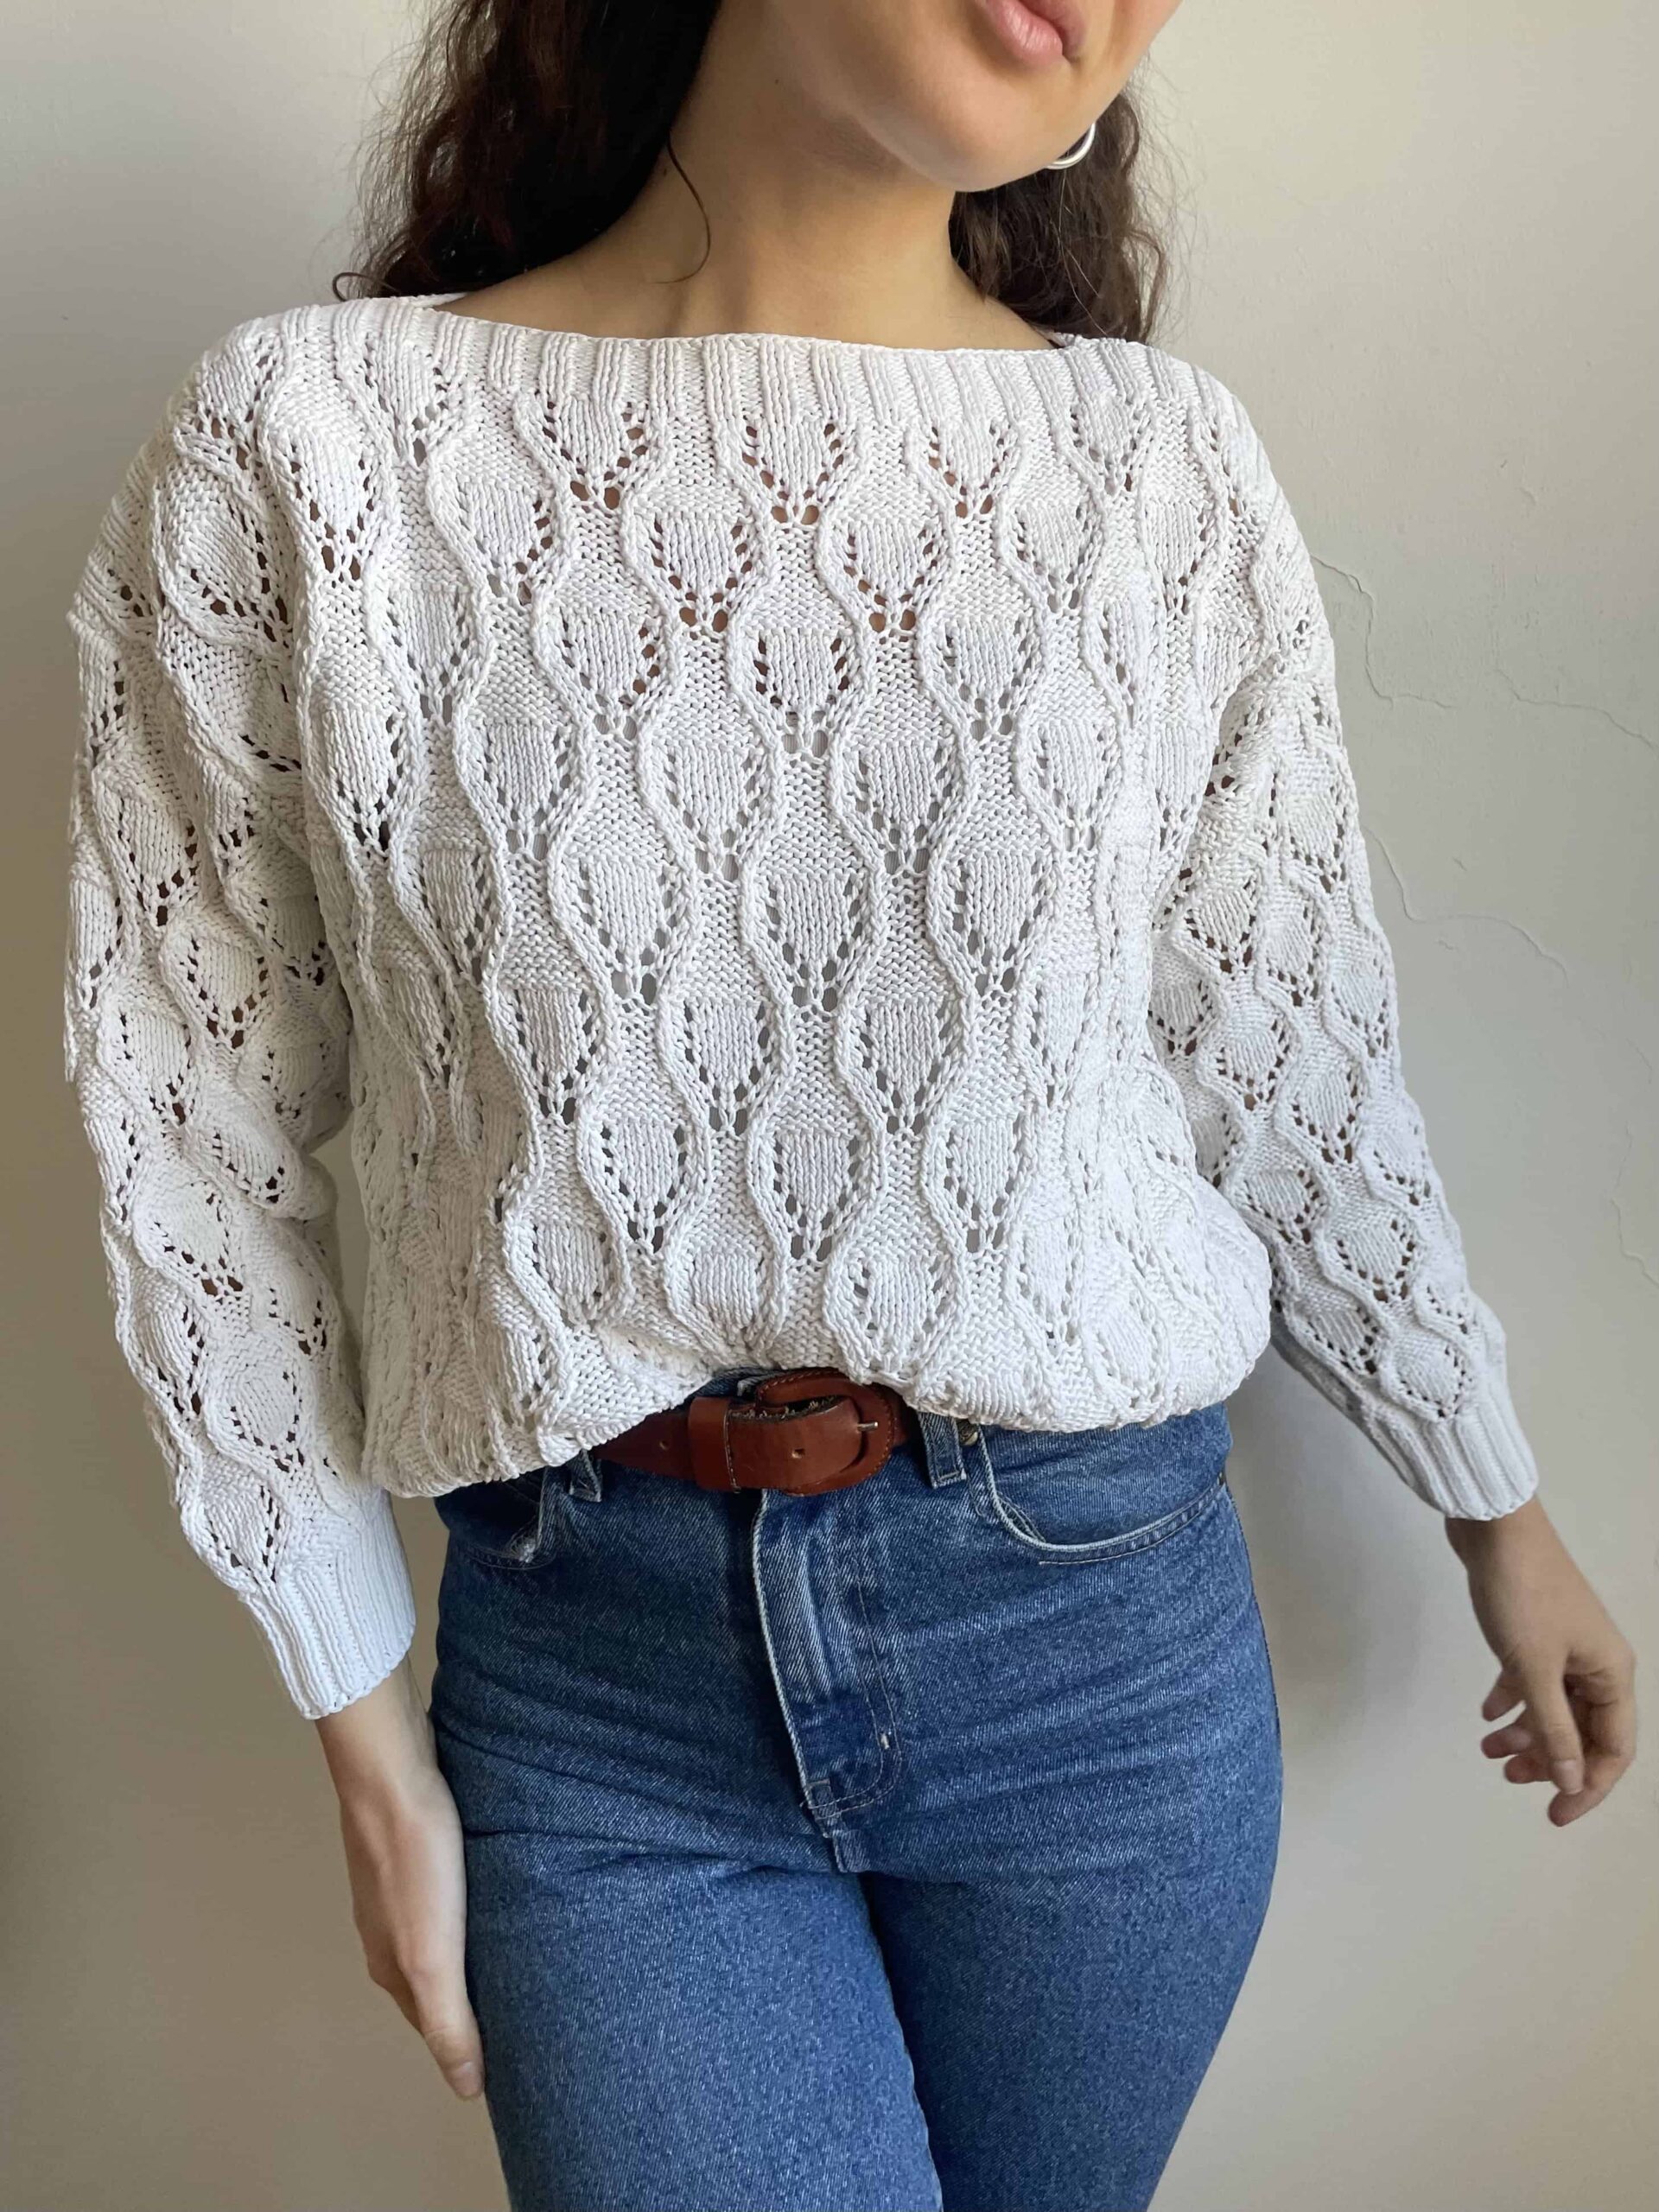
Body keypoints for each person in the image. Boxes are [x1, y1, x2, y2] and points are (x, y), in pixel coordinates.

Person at [60, 3, 1637, 2208]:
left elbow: (1288, 1053)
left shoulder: (1159, 473)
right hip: (594, 1698)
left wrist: (1496, 1500)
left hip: (1100, 1651)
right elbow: (199, 1119)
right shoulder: (306, 452)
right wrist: (355, 1705)